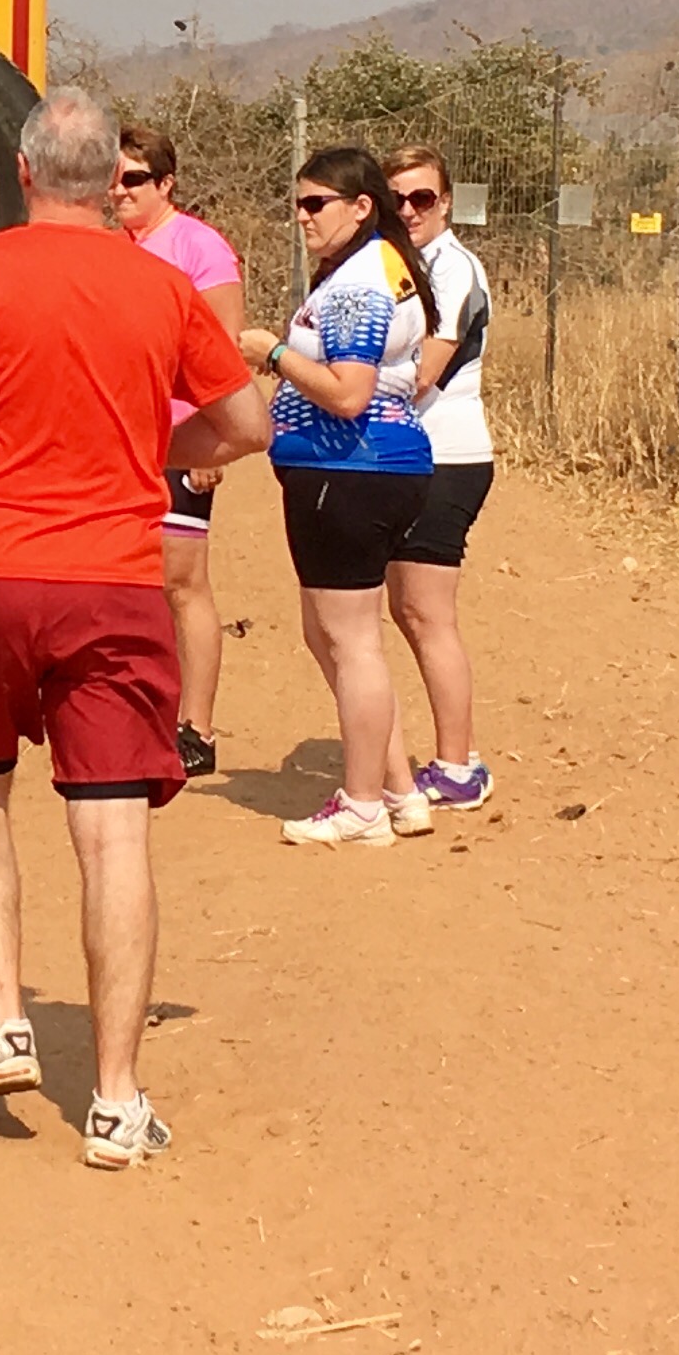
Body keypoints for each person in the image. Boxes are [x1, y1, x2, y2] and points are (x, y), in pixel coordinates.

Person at [0, 88, 262, 1170]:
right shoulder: (160, 286)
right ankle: (117, 1099)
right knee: (113, 831)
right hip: (115, 583)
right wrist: (169, 457)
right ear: (111, 183)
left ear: (25, 170)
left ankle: (2, 1018)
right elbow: (248, 424)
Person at [258, 145, 443, 851]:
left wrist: (272, 354)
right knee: (330, 633)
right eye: (298, 203)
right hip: (359, 470)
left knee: (354, 641)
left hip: (350, 470)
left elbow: (349, 392)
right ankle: (397, 788)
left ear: (361, 207)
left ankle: (363, 804)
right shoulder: (376, 273)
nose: (302, 218)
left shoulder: (360, 287)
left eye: (316, 204)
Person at [110, 123, 248, 779]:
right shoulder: (111, 249)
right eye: (111, 177)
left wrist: (212, 442)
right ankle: (144, 717)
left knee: (181, 582)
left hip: (182, 437)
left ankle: (197, 727)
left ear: (166, 183)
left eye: (134, 178)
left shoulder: (200, 247)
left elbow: (222, 348)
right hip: (119, 442)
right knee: (128, 581)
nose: (120, 189)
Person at [378, 148, 494, 816]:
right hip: (412, 453)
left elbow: (424, 371)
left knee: (427, 611)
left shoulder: (452, 271)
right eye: (397, 198)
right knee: (407, 608)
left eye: (422, 198)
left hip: (447, 454)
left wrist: (343, 384)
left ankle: (459, 765)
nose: (410, 211)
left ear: (446, 202)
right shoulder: (403, 268)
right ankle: (453, 757)